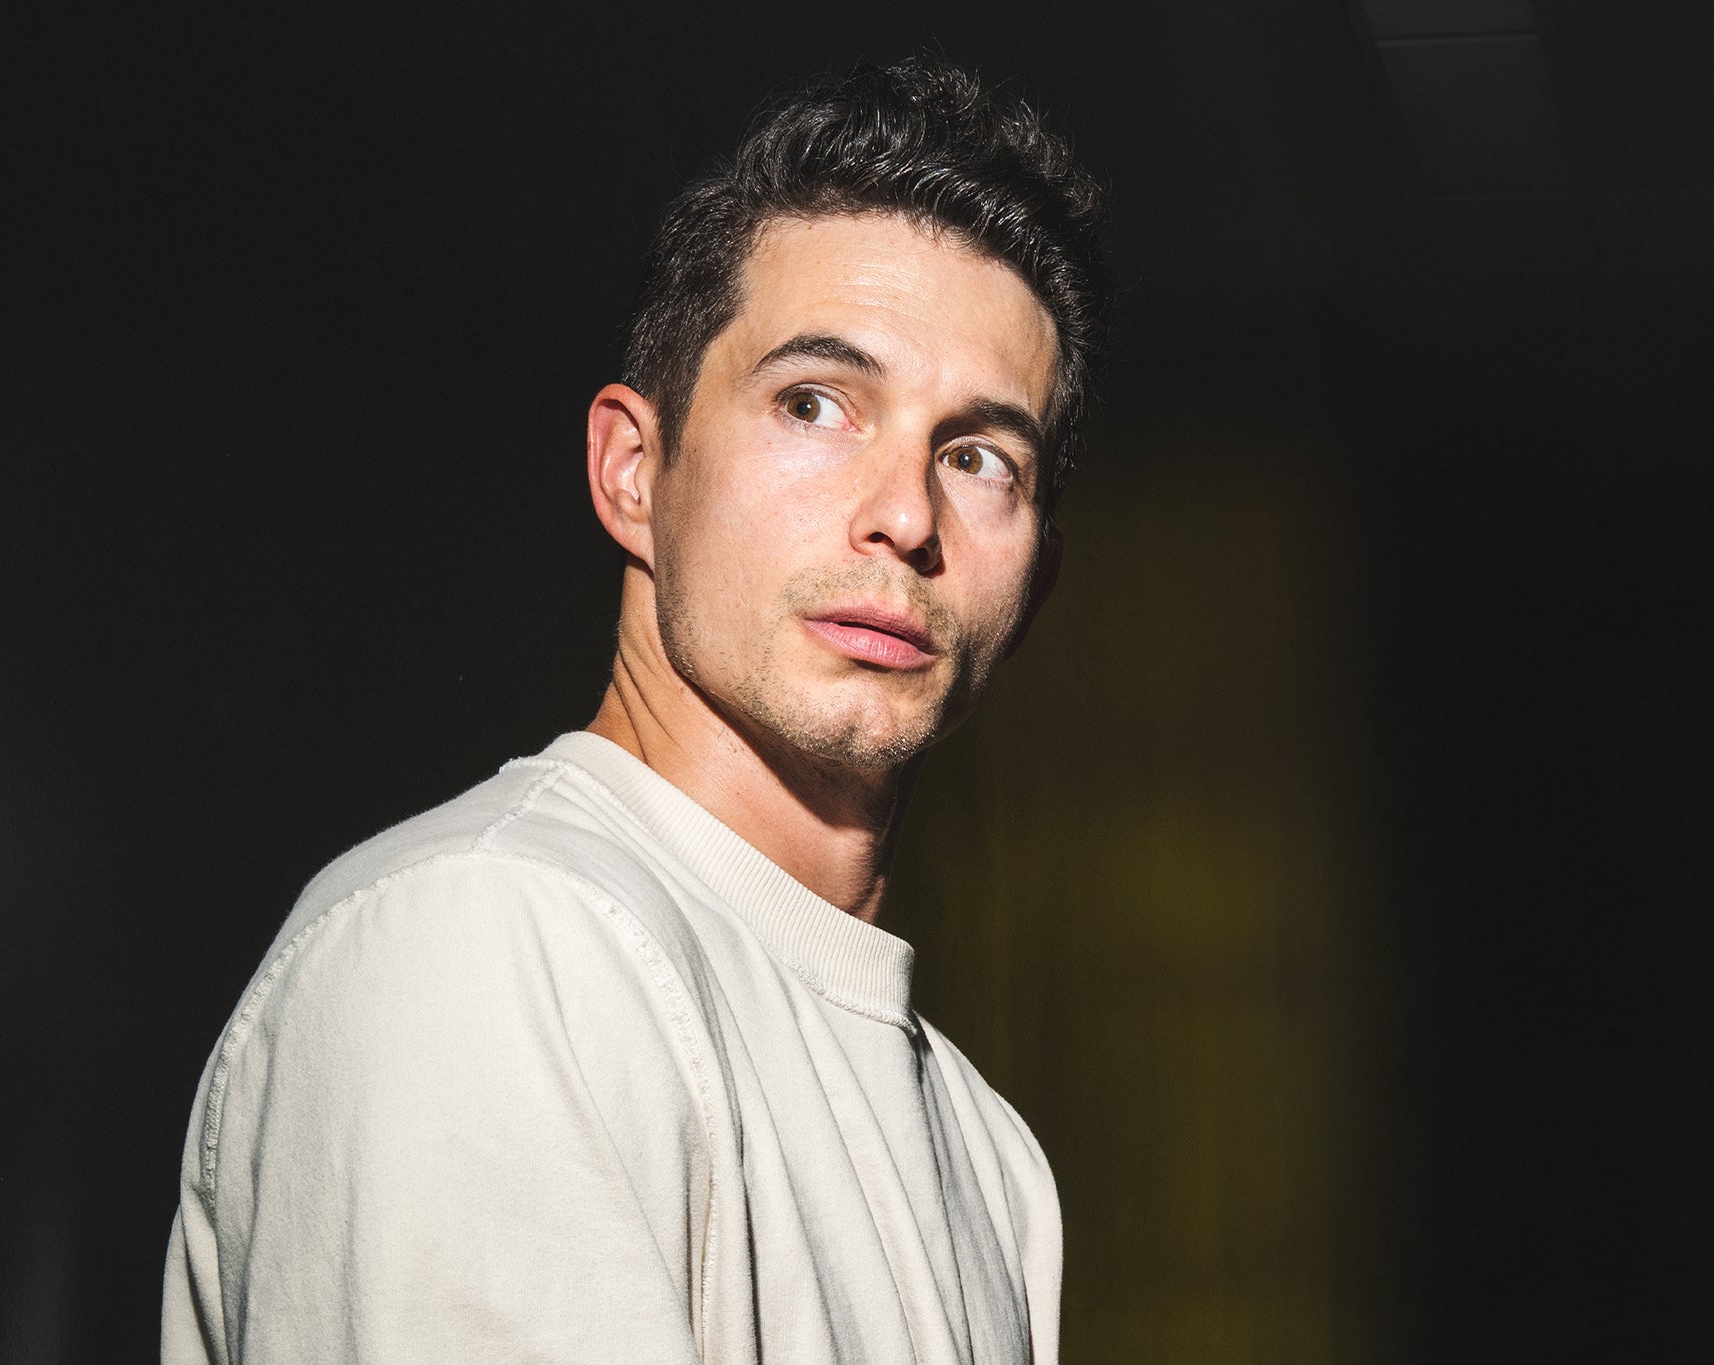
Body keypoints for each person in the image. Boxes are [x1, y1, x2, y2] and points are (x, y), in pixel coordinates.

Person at [162, 57, 1108, 1365]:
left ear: (1036, 580)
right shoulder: (492, 944)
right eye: (813, 404)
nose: (905, 513)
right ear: (632, 470)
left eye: (978, 457)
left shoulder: (987, 1156)